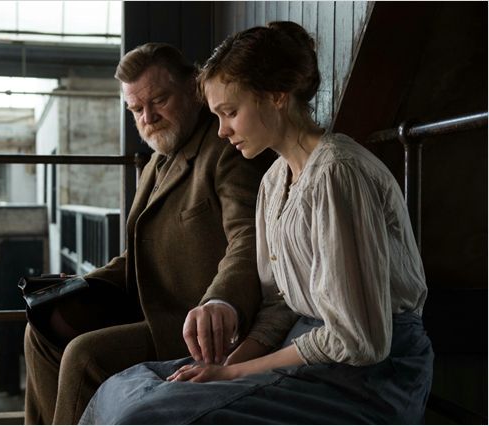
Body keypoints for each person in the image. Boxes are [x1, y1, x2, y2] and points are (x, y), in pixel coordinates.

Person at [80, 22, 434, 425]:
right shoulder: (274, 180)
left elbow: (360, 339)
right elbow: (280, 303)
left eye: (230, 112)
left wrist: (236, 374)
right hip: (307, 347)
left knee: (145, 417)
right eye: (217, 115)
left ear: (276, 96)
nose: (221, 130)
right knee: (122, 388)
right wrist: (226, 366)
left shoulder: (337, 173)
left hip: (371, 375)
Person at [23, 42, 274, 424]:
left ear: (193, 88)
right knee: (39, 331)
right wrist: (78, 288)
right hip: (148, 308)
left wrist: (221, 301)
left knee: (84, 355)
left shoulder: (226, 149)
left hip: (193, 322)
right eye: (136, 109)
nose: (148, 117)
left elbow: (250, 238)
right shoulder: (158, 160)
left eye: (159, 101)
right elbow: (139, 255)